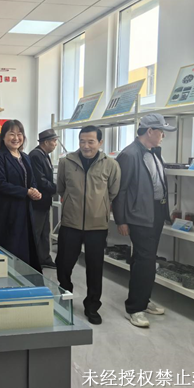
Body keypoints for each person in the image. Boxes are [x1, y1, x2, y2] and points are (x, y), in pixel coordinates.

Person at [113, 114, 176, 328]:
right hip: (139, 216)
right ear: (150, 131)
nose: (163, 136)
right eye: (161, 132)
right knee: (144, 261)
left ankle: (144, 300)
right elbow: (120, 191)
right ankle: (135, 308)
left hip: (155, 213)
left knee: (147, 260)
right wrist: (121, 220)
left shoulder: (153, 152)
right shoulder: (129, 155)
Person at [56, 126, 120, 325]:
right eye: (82, 141)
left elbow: (113, 191)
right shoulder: (66, 162)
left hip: (97, 226)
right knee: (63, 264)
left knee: (94, 268)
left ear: (100, 142)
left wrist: (98, 207)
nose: (86, 146)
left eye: (91, 141)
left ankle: (92, 306)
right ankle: (65, 296)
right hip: (70, 223)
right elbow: (61, 188)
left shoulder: (111, 164)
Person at [0, 120, 43, 272]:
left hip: (24, 210)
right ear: (3, 137)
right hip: (6, 212)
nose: (16, 138)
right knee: (9, 247)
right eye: (11, 134)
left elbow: (32, 180)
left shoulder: (25, 157)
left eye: (19, 134)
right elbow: (0, 184)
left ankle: (25, 278)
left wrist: (34, 190)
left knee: (26, 248)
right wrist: (26, 192)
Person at [29, 129, 59, 269]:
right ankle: (33, 261)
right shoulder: (36, 155)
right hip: (37, 201)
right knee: (36, 232)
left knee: (44, 232)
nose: (55, 144)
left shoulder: (44, 155)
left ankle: (44, 258)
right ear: (46, 142)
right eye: (54, 141)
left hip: (44, 201)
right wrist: (56, 188)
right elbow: (40, 180)